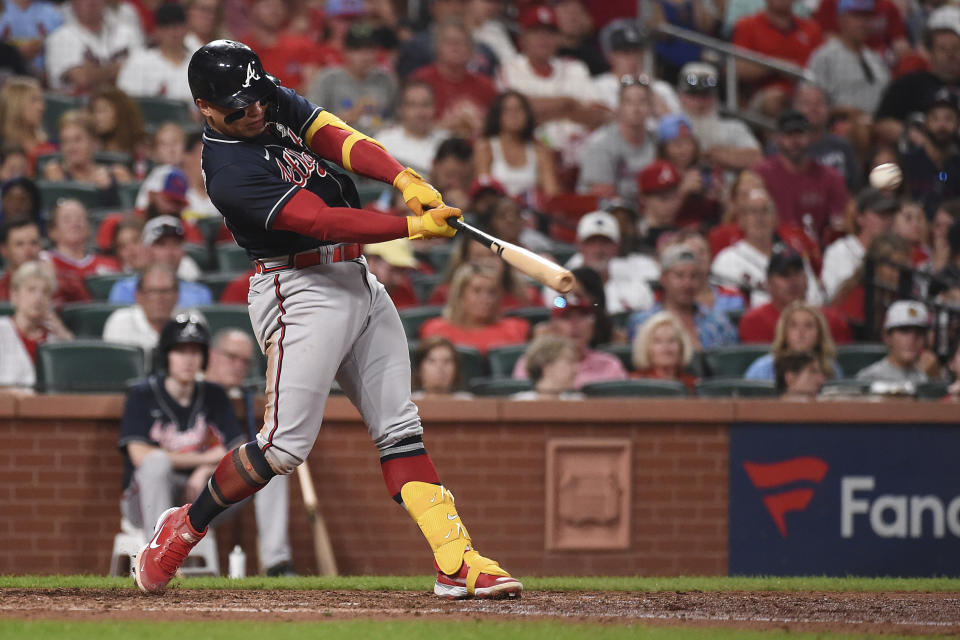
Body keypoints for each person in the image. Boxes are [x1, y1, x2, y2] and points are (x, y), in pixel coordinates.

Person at [134, 40, 522, 600]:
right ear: (205, 106)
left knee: (399, 427)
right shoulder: (226, 171)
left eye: (258, 98)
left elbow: (335, 136)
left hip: (356, 278)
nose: (256, 111)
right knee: (282, 448)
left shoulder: (264, 97)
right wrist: (408, 228)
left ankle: (455, 560)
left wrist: (404, 179)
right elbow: (320, 221)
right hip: (298, 288)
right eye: (239, 107)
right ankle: (183, 528)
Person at [118, 316, 246, 550]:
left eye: (195, 352)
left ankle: (277, 562)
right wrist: (207, 458)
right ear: (166, 356)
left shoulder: (214, 394)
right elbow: (140, 456)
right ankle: (157, 553)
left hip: (197, 498)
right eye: (180, 351)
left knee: (256, 466)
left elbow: (236, 451)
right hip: (143, 501)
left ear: (204, 358)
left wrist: (205, 470)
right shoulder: (141, 393)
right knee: (156, 462)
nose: (188, 360)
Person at [204, 328, 296, 577]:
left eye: (244, 361)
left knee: (274, 468)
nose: (239, 366)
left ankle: (277, 564)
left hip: (213, 484)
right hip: (178, 482)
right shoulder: (189, 386)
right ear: (211, 355)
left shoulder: (238, 398)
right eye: (231, 357)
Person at [711, 188, 824, 307]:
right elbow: (728, 307)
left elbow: (815, 298)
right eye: (753, 211)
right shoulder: (727, 260)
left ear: (775, 218)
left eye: (765, 210)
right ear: (741, 220)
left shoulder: (793, 255)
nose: (760, 217)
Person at [753, 110, 850, 242]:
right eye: (788, 135)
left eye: (799, 134)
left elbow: (840, 222)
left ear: (810, 137)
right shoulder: (760, 175)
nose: (794, 141)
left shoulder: (829, 177)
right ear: (777, 138)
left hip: (817, 250)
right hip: (772, 248)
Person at [512, 282, 627, 389]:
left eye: (581, 317)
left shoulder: (609, 365)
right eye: (567, 318)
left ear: (592, 327)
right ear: (553, 327)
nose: (575, 324)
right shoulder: (532, 363)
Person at [628, 245, 738, 351]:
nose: (687, 283)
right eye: (679, 275)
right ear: (663, 278)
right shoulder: (643, 322)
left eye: (693, 276)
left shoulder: (718, 322)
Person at [874, 14, 960, 145]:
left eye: (955, 49)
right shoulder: (910, 83)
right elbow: (882, 122)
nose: (950, 54)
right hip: (916, 154)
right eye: (943, 49)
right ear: (930, 53)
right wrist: (915, 138)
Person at [738, 247, 852, 344]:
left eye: (797, 273)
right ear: (769, 284)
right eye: (784, 275)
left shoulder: (831, 320)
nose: (793, 281)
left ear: (807, 279)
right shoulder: (755, 321)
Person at [409, 19, 498, 138]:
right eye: (449, 42)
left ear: (471, 51)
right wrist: (445, 124)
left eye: (462, 43)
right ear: (437, 48)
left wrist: (479, 124)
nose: (455, 47)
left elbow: (499, 129)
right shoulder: (420, 80)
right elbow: (408, 124)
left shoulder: (487, 86)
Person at [577, 77, 657, 204]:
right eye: (628, 102)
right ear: (619, 106)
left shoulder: (657, 141)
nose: (636, 108)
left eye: (642, 102)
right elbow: (601, 193)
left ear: (651, 107)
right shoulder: (600, 144)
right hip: (607, 213)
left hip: (647, 211)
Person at [306, 21, 396, 133]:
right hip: (338, 144)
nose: (365, 56)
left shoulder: (386, 80)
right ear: (345, 52)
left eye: (370, 49)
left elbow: (396, 120)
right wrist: (350, 116)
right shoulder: (328, 79)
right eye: (358, 49)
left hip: (379, 144)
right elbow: (310, 120)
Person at [420, 263, 529, 354]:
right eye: (477, 291)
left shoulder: (516, 329)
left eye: (492, 292)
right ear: (461, 294)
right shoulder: (436, 331)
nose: (486, 299)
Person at [806, 0, 890, 115]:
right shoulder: (824, 56)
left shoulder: (876, 59)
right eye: (856, 16)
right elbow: (809, 105)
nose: (862, 23)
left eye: (866, 17)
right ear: (841, 20)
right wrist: (844, 112)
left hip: (875, 123)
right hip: (837, 125)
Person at [564, 210, 656, 314]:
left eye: (605, 242)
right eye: (591, 242)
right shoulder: (561, 284)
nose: (598, 250)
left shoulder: (636, 289)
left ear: (617, 246)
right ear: (579, 245)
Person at [475, 91, 560, 203]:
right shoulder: (486, 148)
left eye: (519, 110)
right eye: (507, 110)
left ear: (527, 115)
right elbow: (483, 189)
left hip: (529, 214)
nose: (514, 115)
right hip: (494, 213)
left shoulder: (540, 152)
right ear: (498, 115)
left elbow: (552, 194)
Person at [108, 216, 213, 307]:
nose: (170, 252)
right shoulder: (124, 289)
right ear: (145, 249)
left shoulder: (200, 293)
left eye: (176, 244)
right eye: (161, 245)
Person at [676, 62, 762, 171]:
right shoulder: (670, 127)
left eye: (705, 96)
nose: (700, 102)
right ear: (680, 95)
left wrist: (713, 154)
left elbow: (757, 158)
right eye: (693, 95)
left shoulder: (733, 127)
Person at [0, 261, 73, 390]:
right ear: (15, 295)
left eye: (45, 292)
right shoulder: (2, 329)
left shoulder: (56, 338)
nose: (38, 297)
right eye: (31, 290)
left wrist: (65, 337)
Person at [44, 0, 141, 93]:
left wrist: (96, 72)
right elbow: (82, 79)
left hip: (126, 102)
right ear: (73, 3)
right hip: (78, 106)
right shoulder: (60, 37)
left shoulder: (126, 32)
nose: (92, 1)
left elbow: (142, 70)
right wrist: (118, 69)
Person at [43, 110, 132, 207]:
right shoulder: (55, 172)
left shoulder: (116, 174)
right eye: (65, 141)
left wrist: (110, 190)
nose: (71, 147)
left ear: (93, 142)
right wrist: (59, 185)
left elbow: (129, 212)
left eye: (78, 139)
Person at [822, 188, 898, 300]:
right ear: (860, 218)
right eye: (881, 214)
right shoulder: (839, 251)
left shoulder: (897, 253)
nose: (888, 221)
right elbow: (835, 297)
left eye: (890, 214)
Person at [593, 19, 680, 115]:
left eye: (637, 51)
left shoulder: (661, 88)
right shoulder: (597, 87)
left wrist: (651, 92)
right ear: (610, 56)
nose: (633, 58)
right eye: (626, 52)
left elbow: (678, 127)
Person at [901, 87, 960, 218]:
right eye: (935, 118)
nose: (942, 125)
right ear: (925, 122)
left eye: (948, 119)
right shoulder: (908, 162)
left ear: (957, 123)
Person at [745, 301, 841, 381]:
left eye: (808, 325)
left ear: (819, 333)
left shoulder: (831, 369)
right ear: (784, 332)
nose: (801, 332)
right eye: (793, 325)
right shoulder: (762, 368)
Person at [117, 3, 193, 103]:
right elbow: (125, 101)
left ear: (186, 29)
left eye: (178, 26)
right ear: (157, 31)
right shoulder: (139, 61)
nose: (173, 32)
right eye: (166, 27)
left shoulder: (199, 63)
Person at [791, 82, 861, 191]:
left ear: (828, 109)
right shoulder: (782, 147)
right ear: (794, 109)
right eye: (807, 103)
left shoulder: (842, 146)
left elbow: (854, 187)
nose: (813, 108)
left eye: (819, 103)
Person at [102, 264, 180, 362]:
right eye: (152, 291)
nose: (159, 298)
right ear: (138, 295)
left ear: (177, 295)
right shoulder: (120, 322)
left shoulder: (190, 321)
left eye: (166, 291)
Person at [46, 199, 121, 295]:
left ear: (89, 227)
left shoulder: (111, 264)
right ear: (52, 231)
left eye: (80, 218)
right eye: (67, 219)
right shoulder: (45, 262)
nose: (75, 223)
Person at [376, 82, 449, 178]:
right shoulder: (384, 141)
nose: (420, 112)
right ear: (400, 110)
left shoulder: (446, 141)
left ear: (434, 108)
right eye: (413, 105)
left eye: (425, 105)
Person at [856, 300, 931, 386]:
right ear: (887, 337)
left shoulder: (926, 378)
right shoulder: (869, 378)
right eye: (904, 331)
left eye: (919, 333)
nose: (912, 339)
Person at [0, 77, 56, 174]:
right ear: (15, 105)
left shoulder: (51, 142)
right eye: (34, 101)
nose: (41, 107)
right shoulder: (2, 146)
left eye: (41, 101)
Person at [630, 310, 697, 391]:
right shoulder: (633, 383)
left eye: (672, 340)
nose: (665, 347)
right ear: (646, 347)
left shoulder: (694, 385)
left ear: (682, 347)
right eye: (658, 341)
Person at [511, 334, 583, 400]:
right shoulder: (518, 403)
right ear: (547, 368)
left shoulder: (579, 402)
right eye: (569, 362)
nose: (576, 369)